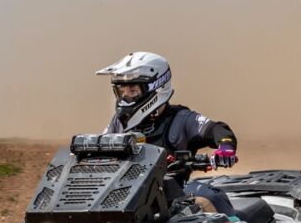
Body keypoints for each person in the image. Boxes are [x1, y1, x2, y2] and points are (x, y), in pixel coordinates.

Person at [97, 51, 238, 213]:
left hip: (174, 198)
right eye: (121, 92)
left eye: (133, 91)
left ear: (157, 87)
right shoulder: (119, 123)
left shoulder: (182, 119)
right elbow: (101, 148)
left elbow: (216, 129)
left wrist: (226, 148)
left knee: (209, 198)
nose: (125, 98)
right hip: (128, 199)